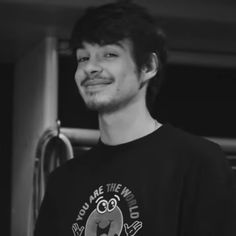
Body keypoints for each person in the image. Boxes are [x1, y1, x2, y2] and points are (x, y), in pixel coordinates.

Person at [34, 1, 236, 236]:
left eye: (109, 54)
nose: (90, 68)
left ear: (148, 66)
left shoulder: (197, 163)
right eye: (83, 58)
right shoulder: (63, 182)